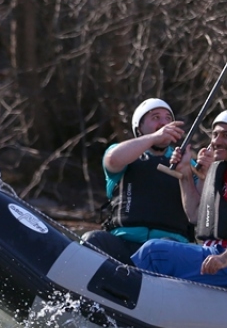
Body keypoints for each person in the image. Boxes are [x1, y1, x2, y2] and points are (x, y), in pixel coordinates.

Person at [131, 109, 227, 292]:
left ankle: (124, 297)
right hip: (225, 261)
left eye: (226, 136)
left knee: (153, 252)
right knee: (166, 241)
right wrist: (185, 172)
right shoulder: (222, 173)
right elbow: (195, 215)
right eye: (215, 135)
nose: (217, 141)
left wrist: (225, 258)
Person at [81, 98, 193, 264]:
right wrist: (154, 137)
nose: (164, 123)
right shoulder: (124, 154)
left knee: (164, 248)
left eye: (168, 118)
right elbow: (113, 160)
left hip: (167, 248)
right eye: (156, 118)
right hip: (123, 244)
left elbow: (199, 206)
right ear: (139, 128)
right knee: (92, 238)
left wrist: (189, 172)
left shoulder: (188, 162)